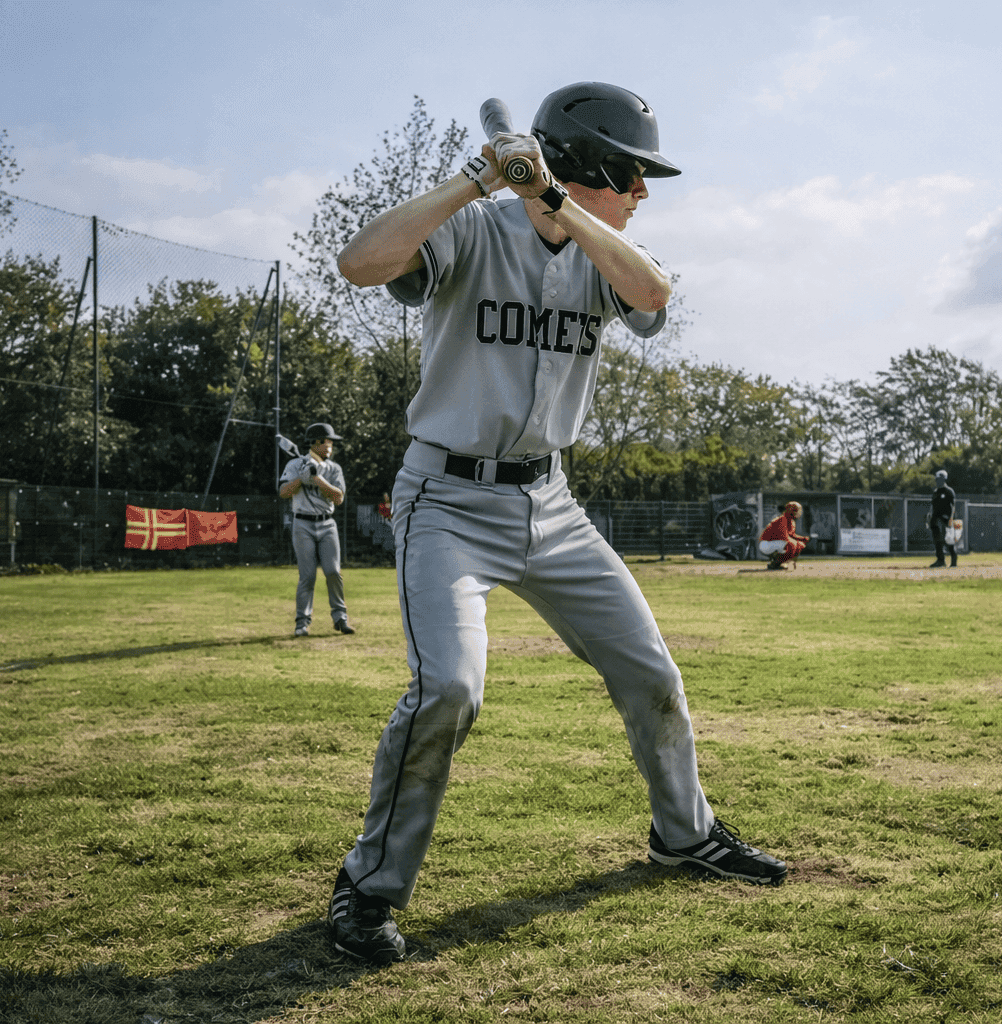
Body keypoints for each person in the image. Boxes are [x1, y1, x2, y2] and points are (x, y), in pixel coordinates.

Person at [328, 82, 786, 965]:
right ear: (589, 161)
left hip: (551, 502)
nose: (644, 192)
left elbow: (653, 292)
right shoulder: (471, 230)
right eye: (633, 175)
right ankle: (368, 888)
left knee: (649, 668)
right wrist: (477, 178)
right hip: (448, 499)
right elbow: (359, 263)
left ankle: (683, 836)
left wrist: (557, 201)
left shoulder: (601, 248)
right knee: (449, 690)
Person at [278, 422, 353, 637]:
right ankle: (302, 622)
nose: (330, 445)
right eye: (326, 441)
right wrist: (300, 481)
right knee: (307, 576)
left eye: (330, 441)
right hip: (302, 523)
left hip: (327, 523)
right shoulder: (295, 464)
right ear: (315, 443)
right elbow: (283, 491)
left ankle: (341, 618)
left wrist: (317, 480)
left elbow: (338, 497)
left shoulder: (333, 469)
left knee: (333, 572)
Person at [759, 501, 809, 570]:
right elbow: (784, 537)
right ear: (792, 511)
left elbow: (791, 535)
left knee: (800, 545)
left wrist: (803, 539)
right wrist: (795, 543)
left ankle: (777, 564)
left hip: (774, 543)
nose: (800, 512)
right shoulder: (783, 519)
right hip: (765, 544)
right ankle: (775, 563)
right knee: (792, 544)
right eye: (797, 510)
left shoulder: (791, 521)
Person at [929, 470, 957, 568]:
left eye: (940, 479)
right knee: (937, 541)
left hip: (946, 519)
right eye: (937, 479)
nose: (938, 481)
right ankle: (940, 560)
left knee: (948, 540)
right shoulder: (935, 492)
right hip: (936, 520)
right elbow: (932, 506)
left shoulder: (949, 491)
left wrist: (950, 519)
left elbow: (953, 506)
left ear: (944, 479)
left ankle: (954, 561)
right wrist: (930, 517)